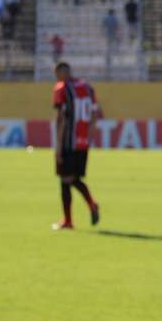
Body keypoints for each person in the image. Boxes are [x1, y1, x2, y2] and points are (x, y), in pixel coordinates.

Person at [52, 62, 100, 230]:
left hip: (67, 141)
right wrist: (88, 137)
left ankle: (68, 220)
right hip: (83, 142)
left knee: (65, 180)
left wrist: (58, 146)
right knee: (74, 179)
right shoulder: (88, 87)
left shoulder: (61, 88)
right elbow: (95, 114)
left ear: (61, 73)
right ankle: (90, 204)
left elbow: (61, 118)